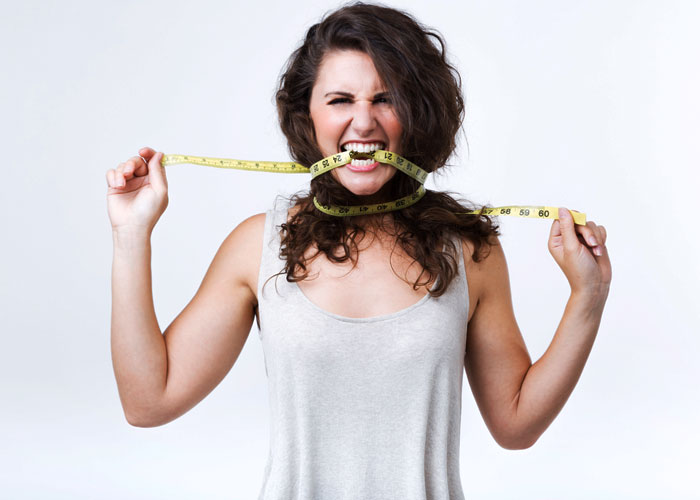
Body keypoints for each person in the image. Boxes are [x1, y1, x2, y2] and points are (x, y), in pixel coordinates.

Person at [106, 3, 611, 499]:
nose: (363, 122)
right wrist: (131, 235)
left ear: (418, 113)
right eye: (340, 99)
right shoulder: (257, 246)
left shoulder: (469, 251)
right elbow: (148, 403)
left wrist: (588, 296)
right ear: (309, 114)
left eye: (386, 99)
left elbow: (515, 426)